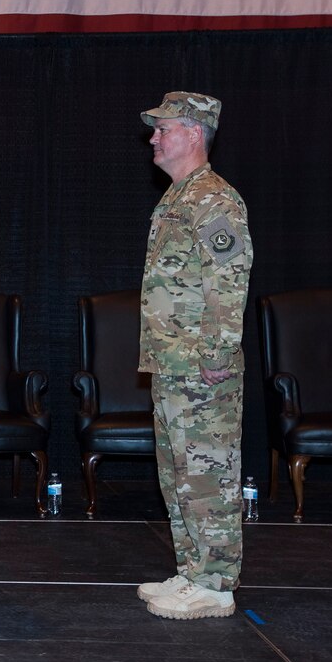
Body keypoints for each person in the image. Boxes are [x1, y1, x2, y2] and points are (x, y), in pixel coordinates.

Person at [135, 92, 253, 620]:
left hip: (203, 365)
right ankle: (193, 571)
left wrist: (217, 352)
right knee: (180, 474)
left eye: (164, 129)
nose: (154, 137)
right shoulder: (178, 197)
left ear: (194, 134)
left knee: (209, 476)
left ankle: (216, 584)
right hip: (173, 362)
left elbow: (228, 281)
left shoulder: (214, 199)